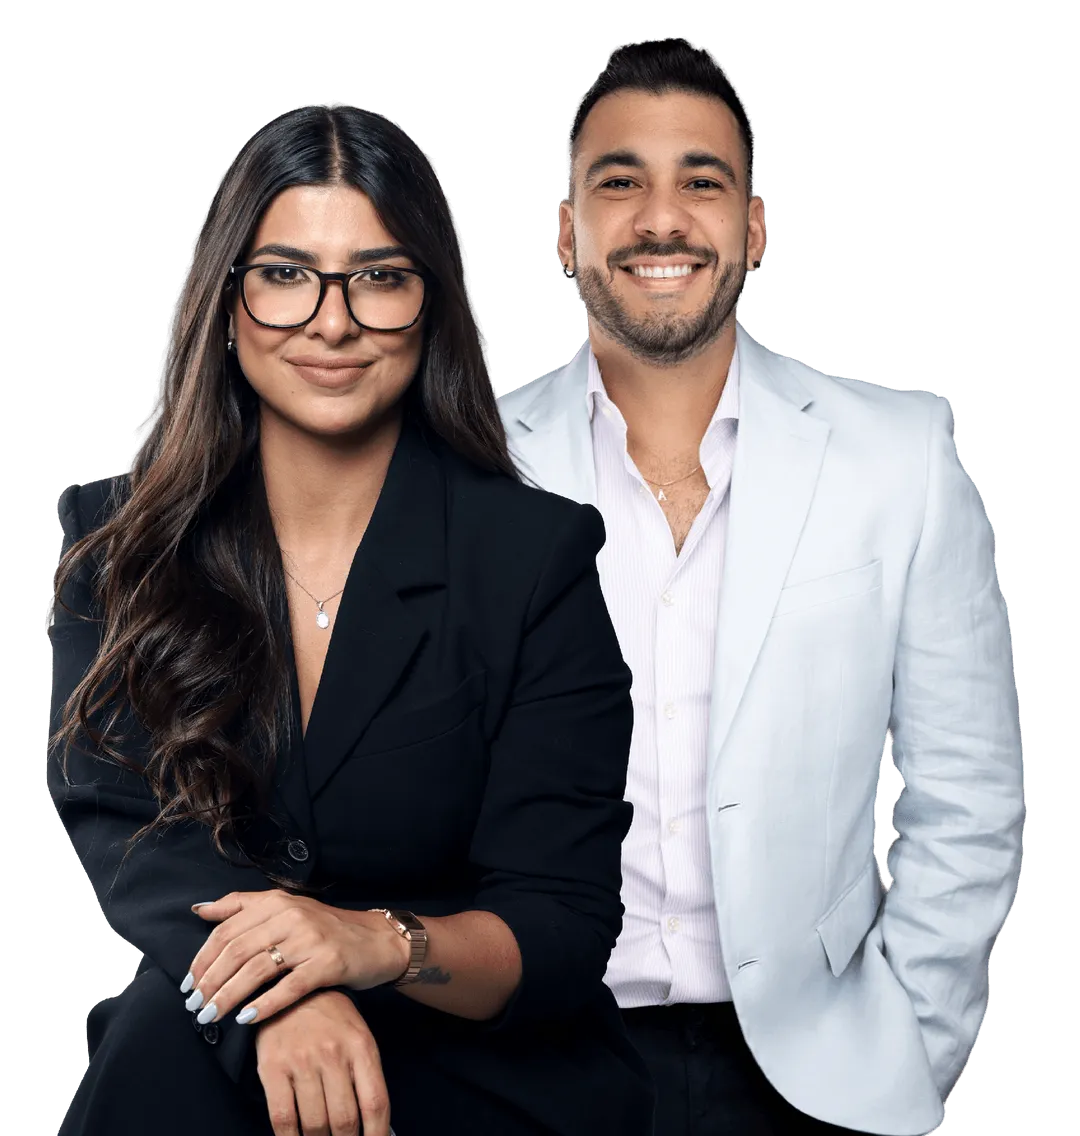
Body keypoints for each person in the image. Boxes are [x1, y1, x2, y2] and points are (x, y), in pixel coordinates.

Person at [46, 101, 654, 1136]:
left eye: (379, 277)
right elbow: (129, 827)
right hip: (224, 1038)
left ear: (430, 308)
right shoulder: (119, 537)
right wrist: (282, 993)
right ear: (228, 305)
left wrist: (372, 944)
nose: (332, 320)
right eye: (286, 275)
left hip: (478, 1063)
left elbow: (558, 924)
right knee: (161, 1042)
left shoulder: (536, 558)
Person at [497, 36, 1025, 1136]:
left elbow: (966, 794)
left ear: (755, 227)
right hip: (527, 1062)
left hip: (815, 1071)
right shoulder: (469, 465)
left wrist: (911, 1045)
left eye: (703, 180)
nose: (661, 216)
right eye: (619, 181)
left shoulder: (902, 459)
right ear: (566, 234)